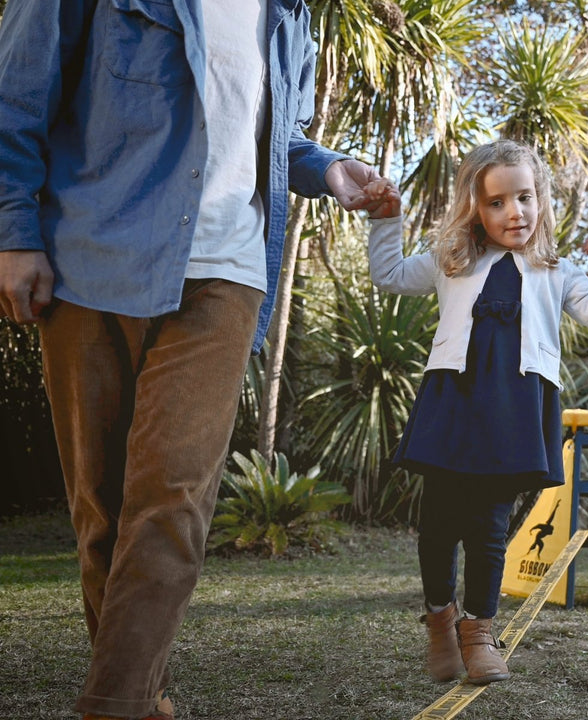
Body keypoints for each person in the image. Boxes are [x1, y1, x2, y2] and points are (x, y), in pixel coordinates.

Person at [0, 1, 382, 718]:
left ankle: (111, 705)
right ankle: (138, 698)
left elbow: (270, 138)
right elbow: (16, 92)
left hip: (226, 272)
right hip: (91, 258)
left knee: (173, 494)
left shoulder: (290, 16)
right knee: (102, 508)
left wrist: (329, 169)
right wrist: (13, 231)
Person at [363, 139, 588, 685]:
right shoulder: (451, 261)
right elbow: (390, 274)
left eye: (525, 197)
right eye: (496, 202)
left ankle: (480, 633)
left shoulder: (554, 270)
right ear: (475, 207)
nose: (514, 211)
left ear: (541, 199)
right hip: (454, 400)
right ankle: (441, 623)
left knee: (491, 525)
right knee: (438, 524)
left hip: (514, 406)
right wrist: (387, 218)